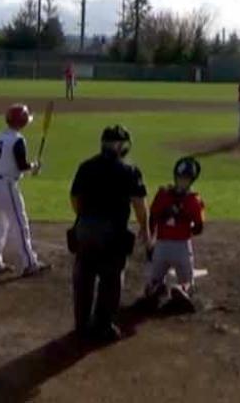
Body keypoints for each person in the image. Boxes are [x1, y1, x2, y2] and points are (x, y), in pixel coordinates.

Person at [69, 125, 149, 342]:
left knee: (84, 277)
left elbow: (74, 198)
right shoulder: (130, 171)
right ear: (119, 146)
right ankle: (103, 326)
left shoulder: (85, 167)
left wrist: (84, 218)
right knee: (111, 280)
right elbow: (139, 205)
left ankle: (82, 325)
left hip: (85, 229)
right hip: (112, 233)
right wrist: (145, 228)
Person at [0, 103, 50, 277]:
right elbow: (21, 165)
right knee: (20, 223)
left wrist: (30, 167)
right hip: (6, 185)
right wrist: (34, 166)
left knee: (0, 223)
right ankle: (30, 263)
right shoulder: (18, 140)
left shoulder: (0, 135)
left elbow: (10, 161)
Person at [144, 156, 205, 312]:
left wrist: (150, 240)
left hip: (162, 246)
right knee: (188, 284)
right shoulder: (194, 200)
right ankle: (179, 289)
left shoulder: (162, 194)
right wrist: (186, 222)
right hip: (181, 247)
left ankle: (158, 288)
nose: (182, 181)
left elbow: (152, 218)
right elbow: (199, 228)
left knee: (153, 280)